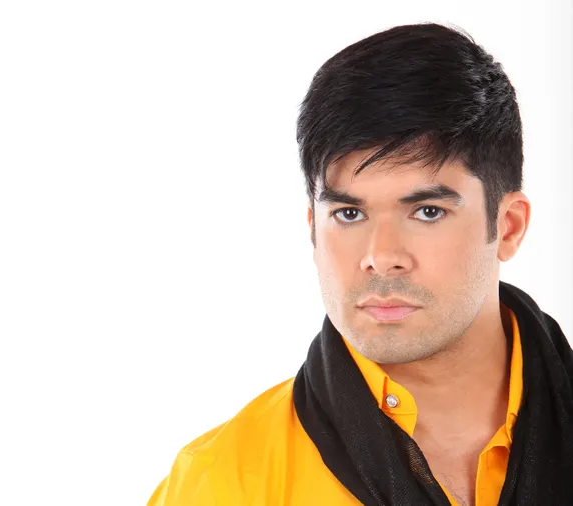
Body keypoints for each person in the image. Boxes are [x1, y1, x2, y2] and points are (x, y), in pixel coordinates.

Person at [147, 22, 573, 506]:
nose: (381, 257)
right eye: (349, 214)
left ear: (509, 227)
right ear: (314, 228)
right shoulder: (223, 483)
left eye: (427, 211)